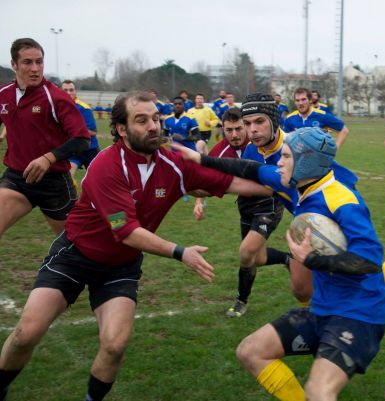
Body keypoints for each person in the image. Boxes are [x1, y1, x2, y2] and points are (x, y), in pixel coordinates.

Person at [0, 91, 270, 401]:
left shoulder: (174, 163)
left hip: (120, 267)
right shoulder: (106, 165)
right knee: (26, 334)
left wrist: (284, 185)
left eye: (156, 118)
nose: (154, 126)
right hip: (75, 256)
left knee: (115, 345)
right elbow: (125, 231)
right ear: (121, 129)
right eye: (141, 121)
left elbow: (235, 184)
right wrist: (181, 252)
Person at [179, 127, 385, 400]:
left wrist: (312, 259)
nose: (279, 161)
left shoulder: (342, 201)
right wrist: (200, 159)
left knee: (319, 391)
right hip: (323, 310)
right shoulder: (294, 183)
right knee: (250, 351)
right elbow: (249, 168)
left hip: (358, 314)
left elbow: (370, 261)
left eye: (286, 156)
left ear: (305, 162)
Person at [0, 38, 90, 240]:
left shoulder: (56, 97)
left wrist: (48, 158)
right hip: (17, 178)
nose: (35, 68)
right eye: (27, 62)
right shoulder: (3, 95)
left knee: (74, 246)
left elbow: (82, 139)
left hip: (54, 183)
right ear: (14, 64)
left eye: (39, 62)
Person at [224, 93, 290, 317]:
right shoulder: (251, 148)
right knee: (257, 257)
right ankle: (287, 259)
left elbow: (276, 188)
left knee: (245, 253)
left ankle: (241, 300)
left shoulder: (290, 147)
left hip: (269, 207)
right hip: (246, 207)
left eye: (259, 122)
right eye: (247, 124)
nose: (252, 130)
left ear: (273, 120)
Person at [192, 107, 248, 221]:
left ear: (246, 126)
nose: (234, 135)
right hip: (246, 202)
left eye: (238, 129)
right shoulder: (219, 152)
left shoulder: (257, 142)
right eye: (229, 130)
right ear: (223, 129)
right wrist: (199, 203)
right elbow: (204, 179)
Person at [61, 80, 100, 190]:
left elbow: (93, 132)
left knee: (98, 179)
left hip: (90, 149)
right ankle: (71, 200)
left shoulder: (84, 108)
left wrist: (70, 130)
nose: (68, 93)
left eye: (71, 90)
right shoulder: (58, 107)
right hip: (73, 148)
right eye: (65, 90)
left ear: (75, 92)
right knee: (68, 177)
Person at [284, 87, 349, 150]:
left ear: (310, 101)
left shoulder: (322, 115)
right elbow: (284, 138)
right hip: (298, 159)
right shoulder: (289, 118)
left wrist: (335, 148)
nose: (300, 103)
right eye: (297, 100)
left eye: (303, 99)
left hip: (319, 159)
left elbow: (344, 130)